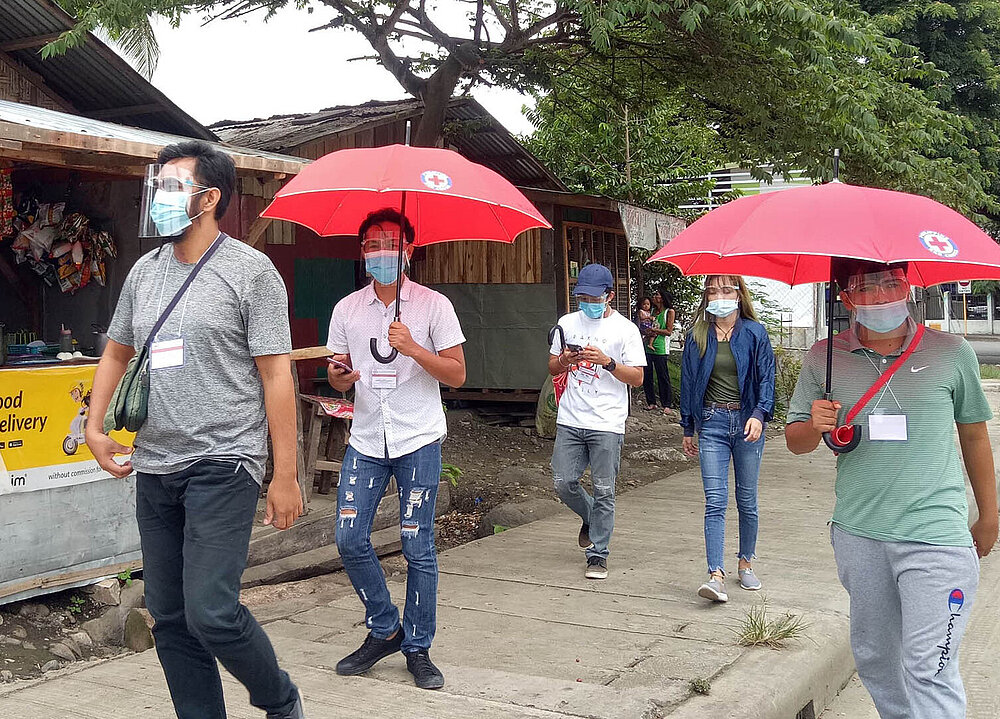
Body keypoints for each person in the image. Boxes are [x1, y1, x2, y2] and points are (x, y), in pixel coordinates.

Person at [86, 141, 305, 719]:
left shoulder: (251, 272)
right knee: (171, 616)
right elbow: (116, 353)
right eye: (157, 186)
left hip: (226, 461)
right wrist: (94, 422)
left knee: (211, 610)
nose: (160, 197)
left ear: (208, 198)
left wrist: (285, 474)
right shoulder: (145, 272)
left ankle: (280, 700)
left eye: (172, 186)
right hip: (156, 464)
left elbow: (277, 376)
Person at [786, 259, 997, 719]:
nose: (881, 296)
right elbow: (796, 440)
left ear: (908, 287)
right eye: (865, 286)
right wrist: (815, 424)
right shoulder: (823, 357)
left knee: (929, 668)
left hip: (935, 536)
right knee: (877, 660)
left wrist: (990, 514)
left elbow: (975, 435)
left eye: (890, 283)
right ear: (845, 298)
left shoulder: (952, 352)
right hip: (860, 533)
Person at [325, 208, 466, 690]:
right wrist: (339, 377)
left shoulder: (433, 306)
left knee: (416, 546)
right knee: (349, 538)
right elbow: (336, 370)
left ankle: (418, 647)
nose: (381, 252)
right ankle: (385, 627)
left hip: (418, 437)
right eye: (372, 244)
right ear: (362, 252)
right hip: (365, 438)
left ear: (410, 249)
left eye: (390, 242)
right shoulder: (347, 308)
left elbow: (457, 373)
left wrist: (415, 349)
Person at [680, 275, 774, 603]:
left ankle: (745, 562)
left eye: (726, 290)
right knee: (715, 501)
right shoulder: (698, 336)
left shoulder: (754, 333)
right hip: (712, 423)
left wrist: (760, 414)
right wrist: (688, 427)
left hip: (748, 423)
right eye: (712, 291)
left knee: (746, 499)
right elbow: (688, 382)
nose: (719, 296)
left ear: (738, 294)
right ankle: (715, 575)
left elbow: (766, 378)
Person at [549, 264, 645, 580]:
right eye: (582, 297)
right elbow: (552, 367)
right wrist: (565, 360)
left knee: (605, 488)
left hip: (608, 422)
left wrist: (607, 362)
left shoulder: (626, 330)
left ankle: (598, 554)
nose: (587, 302)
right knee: (563, 481)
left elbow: (638, 378)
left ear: (609, 297)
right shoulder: (567, 323)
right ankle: (591, 517)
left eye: (594, 297)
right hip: (571, 417)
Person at [643, 287, 676, 415]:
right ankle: (651, 402)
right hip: (648, 346)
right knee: (647, 375)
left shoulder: (669, 311)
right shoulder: (651, 311)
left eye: (657, 295)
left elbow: (668, 331)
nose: (654, 297)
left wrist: (654, 331)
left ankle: (666, 403)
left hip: (661, 348)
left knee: (663, 376)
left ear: (662, 298)